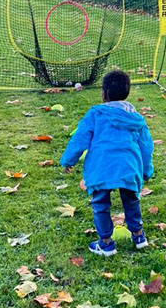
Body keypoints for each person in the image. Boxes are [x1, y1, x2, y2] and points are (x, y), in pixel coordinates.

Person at [59, 68, 154, 256]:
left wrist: (68, 161)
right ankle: (139, 236)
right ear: (127, 93)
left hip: (101, 167)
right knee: (131, 199)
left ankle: (106, 243)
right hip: (129, 167)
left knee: (100, 203)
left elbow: (80, 139)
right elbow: (145, 147)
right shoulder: (136, 119)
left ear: (104, 94)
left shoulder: (95, 114)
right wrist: (145, 171)